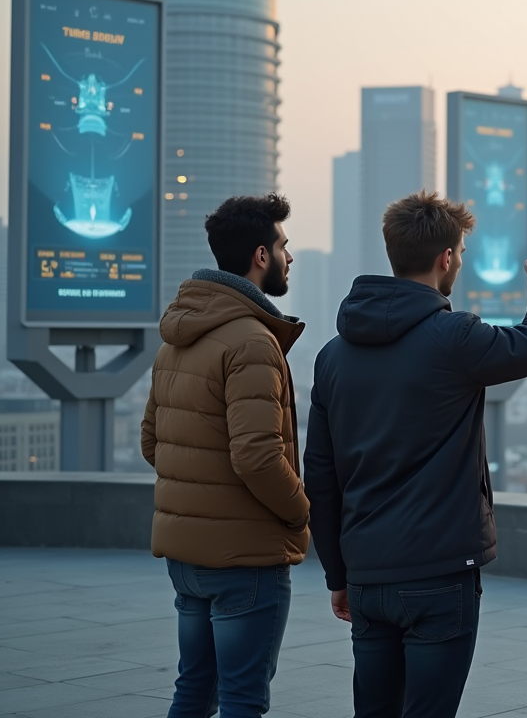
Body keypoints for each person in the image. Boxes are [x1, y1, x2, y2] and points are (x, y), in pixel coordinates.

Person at [304, 191, 527, 718]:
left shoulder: (332, 356)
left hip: (368, 576)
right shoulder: (453, 338)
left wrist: (337, 574)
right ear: (447, 257)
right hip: (439, 576)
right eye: (462, 253)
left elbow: (320, 476)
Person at [141, 193, 309, 718]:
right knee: (242, 697)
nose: (290, 255)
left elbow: (153, 441)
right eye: (284, 245)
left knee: (193, 689)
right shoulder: (252, 341)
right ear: (261, 256)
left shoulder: (178, 339)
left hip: (187, 559)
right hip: (245, 559)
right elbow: (258, 457)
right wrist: (301, 509)